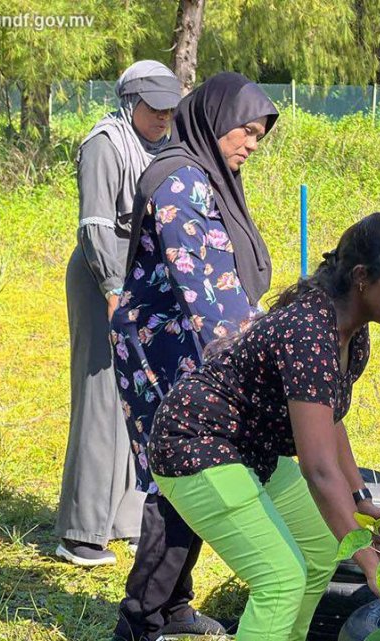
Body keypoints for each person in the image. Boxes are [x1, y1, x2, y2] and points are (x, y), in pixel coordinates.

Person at [147, 213, 380, 641]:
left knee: (318, 549)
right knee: (280, 578)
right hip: (197, 443)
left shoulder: (351, 330)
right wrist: (370, 563)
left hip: (251, 447)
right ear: (362, 277)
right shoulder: (310, 333)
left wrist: (358, 496)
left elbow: (329, 418)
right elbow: (317, 468)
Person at [110, 72, 278, 641]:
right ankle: (142, 617)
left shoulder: (205, 174)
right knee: (180, 474)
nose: (251, 144)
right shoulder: (180, 181)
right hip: (162, 351)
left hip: (189, 350)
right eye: (245, 131)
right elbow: (208, 292)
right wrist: (271, 354)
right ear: (213, 120)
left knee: (190, 472)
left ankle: (174, 605)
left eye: (259, 135)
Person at [56, 61, 181, 567]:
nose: (163, 117)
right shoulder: (104, 144)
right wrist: (112, 289)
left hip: (143, 279)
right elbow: (94, 226)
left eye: (170, 109)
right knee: (101, 398)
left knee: (139, 395)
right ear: (130, 102)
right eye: (154, 108)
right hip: (100, 277)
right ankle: (81, 531)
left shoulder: (158, 146)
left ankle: (128, 521)